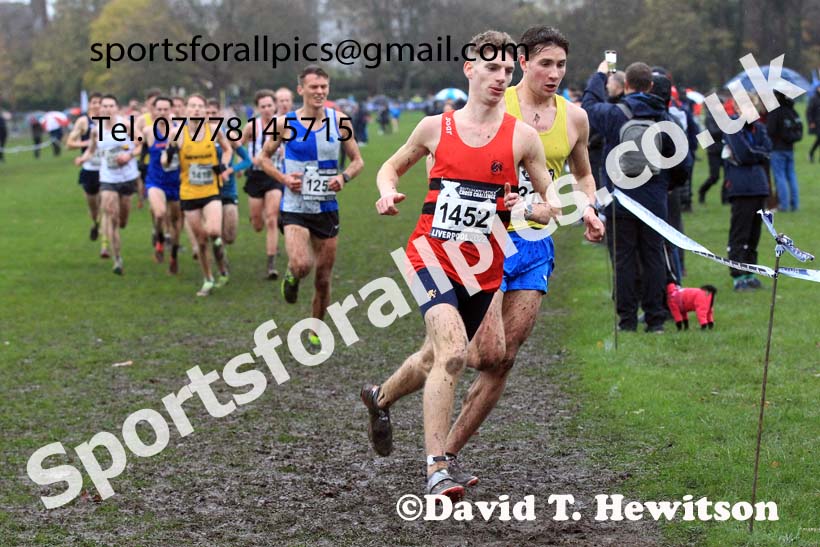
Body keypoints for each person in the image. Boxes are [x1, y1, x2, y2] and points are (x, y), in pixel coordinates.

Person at [360, 30, 558, 501]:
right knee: (451, 352)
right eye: (491, 68)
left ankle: (380, 397)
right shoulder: (435, 128)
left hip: (483, 269)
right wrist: (387, 193)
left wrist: (531, 207)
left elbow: (551, 201)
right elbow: (390, 167)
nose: (500, 77)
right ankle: (436, 470)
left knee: (432, 359)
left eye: (507, 71)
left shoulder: (522, 138)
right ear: (469, 69)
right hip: (429, 255)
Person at [440, 25, 605, 483]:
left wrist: (588, 208)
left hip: (535, 244)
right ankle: (423, 362)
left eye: (562, 65)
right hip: (486, 243)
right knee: (482, 352)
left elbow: (583, 175)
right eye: (545, 63)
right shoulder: (497, 103)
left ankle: (446, 456)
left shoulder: (575, 118)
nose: (555, 73)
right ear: (524, 63)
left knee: (504, 359)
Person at [258, 65, 364, 347]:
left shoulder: (340, 121)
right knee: (302, 264)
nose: (319, 92)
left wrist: (344, 177)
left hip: (327, 208)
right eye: (313, 87)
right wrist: (283, 178)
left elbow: (357, 160)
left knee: (324, 278)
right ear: (300, 89)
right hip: (295, 206)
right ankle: (292, 276)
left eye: (323, 87)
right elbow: (263, 159)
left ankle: (317, 327)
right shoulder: (284, 123)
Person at [583, 61, 686, 333]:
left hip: (620, 198)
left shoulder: (615, 114)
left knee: (624, 260)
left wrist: (600, 73)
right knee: (653, 257)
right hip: (654, 199)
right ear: (651, 85)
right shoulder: (664, 117)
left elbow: (589, 106)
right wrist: (669, 185)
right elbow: (682, 160)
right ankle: (655, 319)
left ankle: (627, 321)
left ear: (626, 85)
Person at [163, 94, 233, 295]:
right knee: (201, 241)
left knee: (213, 232)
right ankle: (208, 278)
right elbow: (165, 163)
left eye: (199, 106)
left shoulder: (213, 130)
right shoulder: (177, 134)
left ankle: (221, 259)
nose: (196, 110)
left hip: (211, 190)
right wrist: (169, 155)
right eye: (192, 106)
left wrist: (224, 164)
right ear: (185, 110)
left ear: (204, 110)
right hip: (189, 193)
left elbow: (228, 150)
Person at [76, 94, 142, 275]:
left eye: (111, 106)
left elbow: (139, 145)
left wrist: (128, 156)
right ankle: (117, 259)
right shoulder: (97, 129)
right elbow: (91, 150)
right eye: (104, 106)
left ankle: (117, 243)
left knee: (122, 221)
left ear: (116, 108)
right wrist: (82, 158)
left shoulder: (126, 125)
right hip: (108, 178)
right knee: (111, 216)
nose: (107, 109)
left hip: (127, 177)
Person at [723, 119, 772, 291]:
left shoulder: (759, 128)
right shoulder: (731, 128)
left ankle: (751, 274)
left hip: (759, 186)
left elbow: (768, 149)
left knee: (754, 234)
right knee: (739, 234)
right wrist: (757, 154)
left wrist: (755, 153)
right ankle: (739, 277)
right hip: (741, 187)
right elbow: (743, 154)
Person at [207, 97, 252, 284]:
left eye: (213, 113)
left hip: (228, 190)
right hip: (208, 192)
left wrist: (232, 169)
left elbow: (247, 160)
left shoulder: (229, 136)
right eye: (206, 113)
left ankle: (222, 252)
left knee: (230, 235)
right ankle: (221, 265)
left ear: (219, 114)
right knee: (214, 232)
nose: (210, 117)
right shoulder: (196, 137)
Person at [242, 89, 284, 279]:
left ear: (274, 106)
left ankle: (271, 264)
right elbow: (238, 145)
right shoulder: (252, 126)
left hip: (275, 176)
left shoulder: (283, 125)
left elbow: (294, 145)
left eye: (269, 105)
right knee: (258, 223)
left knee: (272, 218)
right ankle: (256, 219)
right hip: (256, 177)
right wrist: (249, 159)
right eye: (263, 106)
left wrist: (285, 151)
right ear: (257, 108)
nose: (267, 109)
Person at [142, 96, 183, 273]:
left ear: (171, 111)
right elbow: (141, 149)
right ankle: (159, 239)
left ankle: (173, 255)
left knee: (175, 221)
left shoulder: (179, 131)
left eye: (166, 109)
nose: (162, 113)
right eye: (159, 109)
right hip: (155, 180)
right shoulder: (148, 131)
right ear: (154, 111)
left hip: (175, 182)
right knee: (159, 214)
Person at [67, 92, 104, 243]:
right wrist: (85, 144)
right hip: (89, 169)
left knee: (106, 203)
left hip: (106, 170)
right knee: (94, 207)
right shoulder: (83, 121)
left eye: (100, 103)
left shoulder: (109, 122)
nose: (97, 105)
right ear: (89, 104)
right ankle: (95, 223)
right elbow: (69, 143)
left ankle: (105, 238)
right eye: (94, 102)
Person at [766, 90, 802, 212]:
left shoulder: (775, 111)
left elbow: (770, 130)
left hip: (777, 148)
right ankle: (795, 204)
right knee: (791, 175)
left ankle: (784, 205)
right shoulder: (791, 110)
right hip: (790, 148)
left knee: (779, 177)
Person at [697, 100, 725, 204]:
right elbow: (712, 132)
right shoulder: (709, 117)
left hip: (723, 149)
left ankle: (725, 198)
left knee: (728, 176)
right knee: (715, 176)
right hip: (713, 150)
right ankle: (702, 191)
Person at [808, 85, 820, 163]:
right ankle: (811, 153)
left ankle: (811, 153)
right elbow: (809, 111)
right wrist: (811, 121)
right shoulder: (814, 99)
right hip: (817, 123)